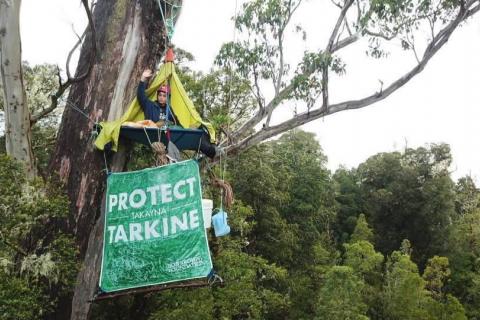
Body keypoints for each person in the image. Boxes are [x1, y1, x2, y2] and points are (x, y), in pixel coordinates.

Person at [137, 69, 222, 159]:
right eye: (160, 95)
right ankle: (210, 151)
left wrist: (187, 128)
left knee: (200, 131)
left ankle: (212, 151)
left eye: (164, 96)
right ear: (157, 96)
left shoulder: (169, 110)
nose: (161, 98)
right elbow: (141, 95)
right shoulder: (150, 105)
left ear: (167, 98)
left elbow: (177, 124)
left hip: (169, 137)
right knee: (174, 152)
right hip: (155, 136)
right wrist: (143, 79)